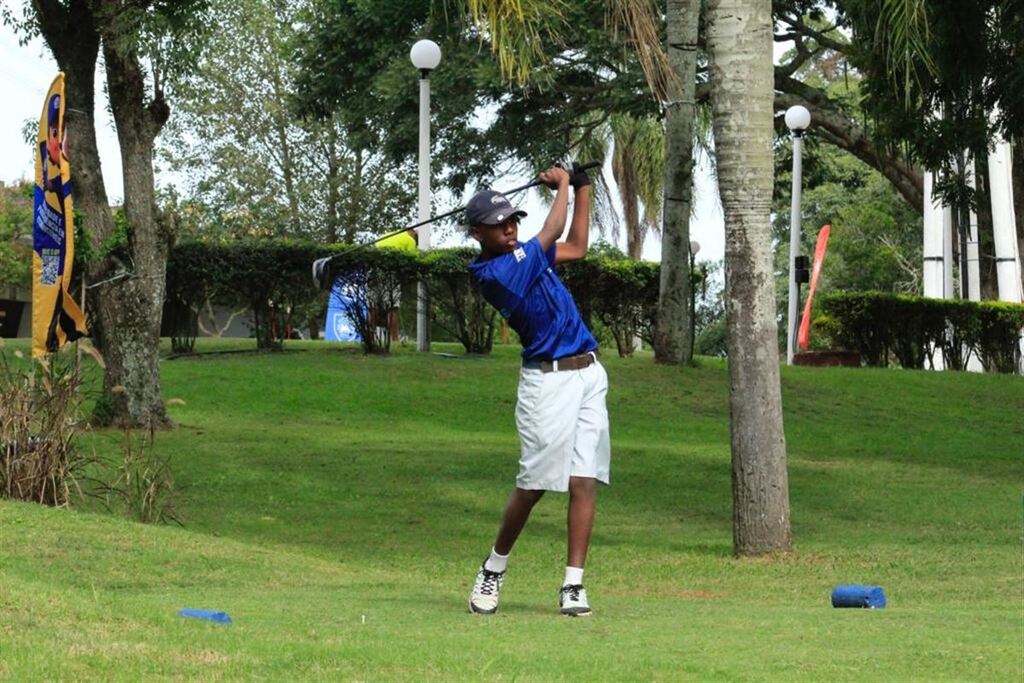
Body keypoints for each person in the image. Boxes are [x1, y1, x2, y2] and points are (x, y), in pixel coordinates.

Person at [465, 164, 609, 617]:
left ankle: (573, 586)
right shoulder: (496, 274)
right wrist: (563, 184)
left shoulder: (529, 255)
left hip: (588, 372)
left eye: (511, 221)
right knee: (533, 486)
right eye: (497, 225)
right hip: (546, 384)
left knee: (584, 481)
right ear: (477, 234)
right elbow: (552, 228)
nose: (509, 229)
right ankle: (493, 568)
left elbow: (578, 246)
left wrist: (582, 185)